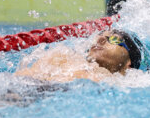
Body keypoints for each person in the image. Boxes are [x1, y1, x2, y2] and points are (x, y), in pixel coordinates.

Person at [14, 29, 142, 83]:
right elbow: (20, 79)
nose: (101, 39)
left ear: (128, 63)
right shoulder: (60, 57)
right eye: (100, 34)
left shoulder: (125, 86)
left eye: (114, 39)